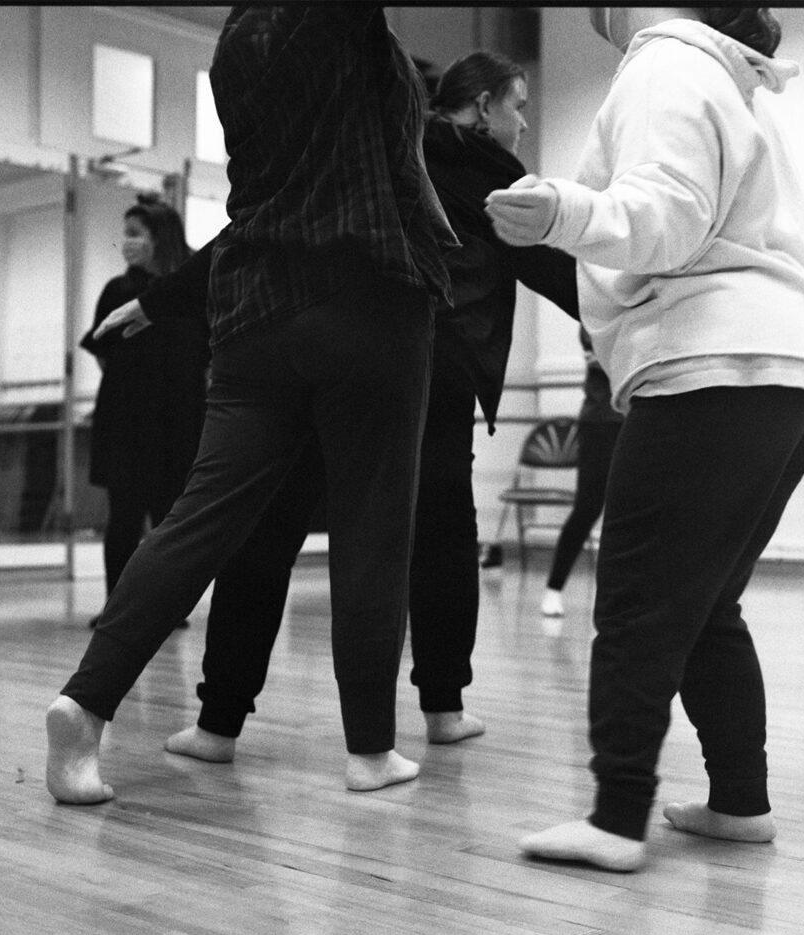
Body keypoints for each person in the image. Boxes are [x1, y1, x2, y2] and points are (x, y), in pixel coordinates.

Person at [107, 50, 582, 764]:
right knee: (436, 535)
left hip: (326, 350)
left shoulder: (346, 154)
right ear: (480, 106)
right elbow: (558, 271)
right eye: (516, 107)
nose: (519, 125)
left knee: (268, 533)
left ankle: (217, 724)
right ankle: (442, 710)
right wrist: (628, 326)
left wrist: (156, 298)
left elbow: (245, 238)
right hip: (431, 366)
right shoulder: (487, 174)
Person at [45, 5, 458, 802]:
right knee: (373, 531)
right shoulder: (340, 24)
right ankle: (371, 750)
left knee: (198, 521)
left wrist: (163, 299)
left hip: (252, 313)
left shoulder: (239, 36)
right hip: (368, 300)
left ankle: (85, 703)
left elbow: (268, 203)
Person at [486, 6, 804, 871]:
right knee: (701, 603)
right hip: (790, 367)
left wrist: (560, 211)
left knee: (641, 598)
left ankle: (616, 819)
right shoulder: (726, 76)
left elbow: (671, 214)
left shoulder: (665, 62)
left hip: (715, 361)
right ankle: (739, 802)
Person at [80, 196, 209, 626]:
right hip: (126, 423)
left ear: (160, 238)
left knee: (171, 519)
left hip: (178, 422)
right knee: (124, 518)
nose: (126, 243)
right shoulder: (118, 290)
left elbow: (208, 354)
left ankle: (166, 608)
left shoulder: (191, 292)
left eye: (135, 234)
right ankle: (118, 607)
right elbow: (102, 350)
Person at [540, 331, 623, 618]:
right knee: (588, 506)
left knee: (630, 509)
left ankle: (621, 597)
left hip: (635, 418)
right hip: (601, 421)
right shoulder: (596, 309)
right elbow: (604, 358)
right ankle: (554, 588)